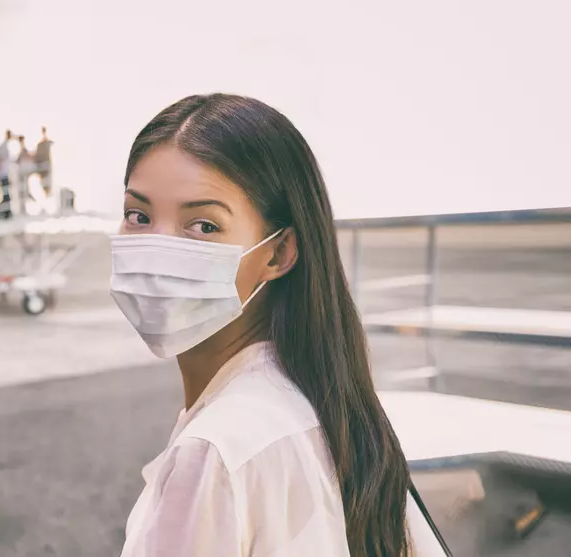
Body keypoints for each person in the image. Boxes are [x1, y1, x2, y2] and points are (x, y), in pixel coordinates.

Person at [114, 94, 446, 557]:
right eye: (139, 216)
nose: (156, 252)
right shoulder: (319, 404)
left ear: (277, 253)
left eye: (204, 226)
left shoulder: (217, 451)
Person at [0, 129, 13, 219]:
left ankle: (6, 212)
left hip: (5, 173)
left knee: (6, 194)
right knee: (6, 194)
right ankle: (5, 213)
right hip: (3, 174)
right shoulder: (3, 147)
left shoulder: (6, 146)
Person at [34, 126, 54, 196]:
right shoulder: (41, 144)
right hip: (43, 168)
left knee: (47, 185)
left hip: (46, 168)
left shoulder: (46, 143)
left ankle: (47, 194)